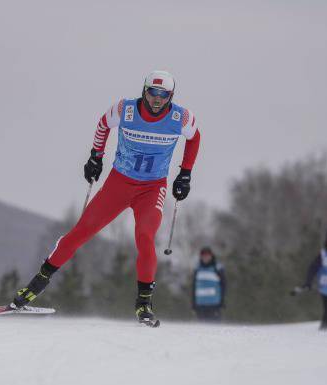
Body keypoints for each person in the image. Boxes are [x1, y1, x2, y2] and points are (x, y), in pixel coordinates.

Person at [10, 70, 201, 326]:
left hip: (152, 188)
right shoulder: (125, 109)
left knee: (145, 237)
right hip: (118, 184)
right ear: (143, 91)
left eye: (163, 95)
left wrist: (185, 173)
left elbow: (195, 137)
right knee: (81, 231)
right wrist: (95, 156)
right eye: (152, 93)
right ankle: (34, 287)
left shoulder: (181, 117)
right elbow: (103, 124)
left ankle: (144, 303)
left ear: (171, 96)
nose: (156, 99)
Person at [192, 247, 226, 321]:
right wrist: (193, 304)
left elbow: (223, 286)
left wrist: (222, 301)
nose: (205, 257)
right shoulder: (197, 269)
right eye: (203, 256)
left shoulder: (218, 268)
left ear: (211, 256)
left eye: (207, 255)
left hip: (214, 305)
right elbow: (194, 287)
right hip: (200, 305)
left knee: (214, 329)